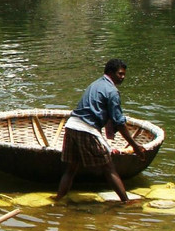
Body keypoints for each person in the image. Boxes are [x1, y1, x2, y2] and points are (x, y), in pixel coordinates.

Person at [55, 58, 146, 203]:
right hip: (86, 128)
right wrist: (136, 147)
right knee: (109, 168)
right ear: (110, 73)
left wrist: (107, 140)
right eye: (120, 74)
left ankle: (58, 199)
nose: (122, 77)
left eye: (124, 74)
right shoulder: (112, 91)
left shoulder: (95, 84)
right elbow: (119, 122)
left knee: (71, 169)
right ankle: (126, 202)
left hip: (71, 125)